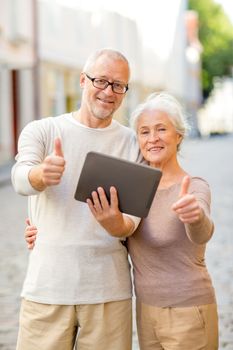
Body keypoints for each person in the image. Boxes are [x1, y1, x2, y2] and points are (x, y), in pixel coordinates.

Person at [11, 48, 142, 350]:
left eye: (118, 85)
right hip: (47, 288)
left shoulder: (133, 143)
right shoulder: (44, 130)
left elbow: (134, 221)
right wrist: (40, 175)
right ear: (82, 80)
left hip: (108, 292)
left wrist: (117, 224)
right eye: (101, 81)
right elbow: (20, 177)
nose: (109, 92)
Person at [70, 92, 219, 349]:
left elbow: (202, 232)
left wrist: (195, 217)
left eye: (162, 129)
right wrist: (38, 231)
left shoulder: (193, 186)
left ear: (179, 135)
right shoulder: (132, 186)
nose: (153, 139)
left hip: (188, 309)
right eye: (144, 132)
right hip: (146, 311)